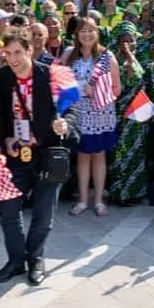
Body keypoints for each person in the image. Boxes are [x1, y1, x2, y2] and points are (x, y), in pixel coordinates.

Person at [0, 26, 67, 286]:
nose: (13, 58)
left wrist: (66, 124)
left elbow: (71, 109)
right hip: (14, 154)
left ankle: (35, 258)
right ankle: (15, 261)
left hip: (46, 153)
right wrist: (5, 139)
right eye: (8, 52)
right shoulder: (1, 78)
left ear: (30, 50)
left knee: (44, 213)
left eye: (18, 52)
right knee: (8, 211)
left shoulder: (50, 75)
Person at [59, 16, 117, 217]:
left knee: (99, 155)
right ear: (76, 34)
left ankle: (99, 201)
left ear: (97, 33)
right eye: (82, 31)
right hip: (78, 111)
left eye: (91, 30)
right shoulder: (69, 55)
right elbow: (59, 81)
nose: (87, 34)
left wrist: (101, 90)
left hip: (100, 111)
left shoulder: (106, 57)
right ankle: (83, 200)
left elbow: (117, 88)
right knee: (82, 156)